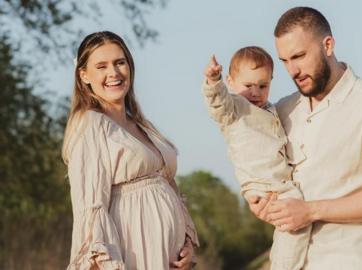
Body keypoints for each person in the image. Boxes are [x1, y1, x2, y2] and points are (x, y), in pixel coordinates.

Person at [247, 7, 362, 269]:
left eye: (300, 56)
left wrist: (311, 211)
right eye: (284, 61)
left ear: (328, 45)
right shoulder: (283, 110)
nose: (293, 70)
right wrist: (264, 205)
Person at [62, 31, 199, 270]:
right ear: (84, 75)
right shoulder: (91, 125)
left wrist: (186, 240)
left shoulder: (141, 124)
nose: (113, 73)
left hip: (170, 256)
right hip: (133, 250)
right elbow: (90, 207)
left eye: (120, 62)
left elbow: (167, 185)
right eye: (101, 66)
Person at [202, 47, 310, 269]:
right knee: (295, 224)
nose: (255, 92)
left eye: (263, 86)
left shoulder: (270, 109)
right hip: (264, 183)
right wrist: (214, 81)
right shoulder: (235, 108)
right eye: (248, 85)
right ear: (231, 81)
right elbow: (218, 104)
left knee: (291, 226)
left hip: (276, 181)